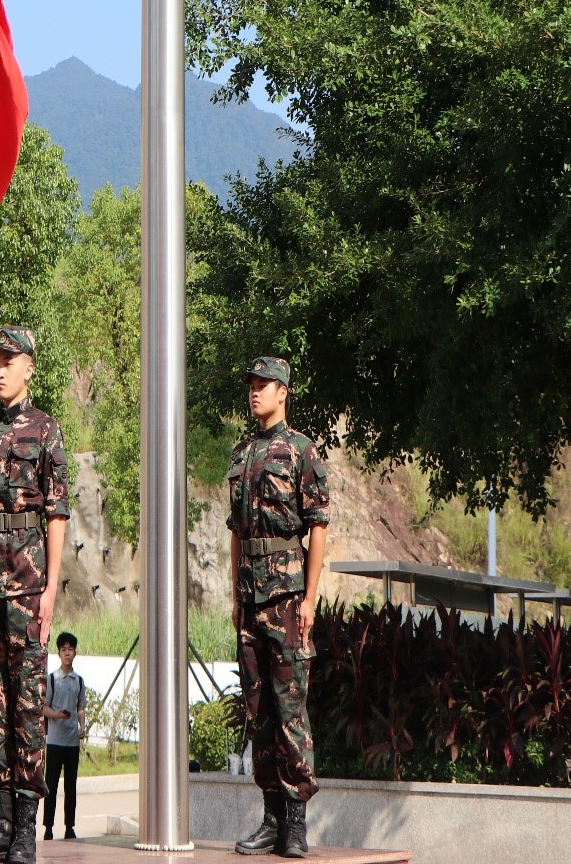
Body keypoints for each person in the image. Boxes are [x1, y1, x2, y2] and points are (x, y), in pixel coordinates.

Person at [0, 325, 70, 864]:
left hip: (29, 591)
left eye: (9, 361)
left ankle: (27, 829)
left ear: (29, 367)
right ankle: (2, 823)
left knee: (28, 710)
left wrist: (51, 588)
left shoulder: (46, 430)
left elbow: (56, 513)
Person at [229, 355, 330, 860]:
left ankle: (295, 823)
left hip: (287, 599)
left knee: (290, 710)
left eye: (263, 384)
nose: (255, 392)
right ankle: (271, 818)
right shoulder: (242, 453)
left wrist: (309, 599)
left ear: (283, 391)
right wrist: (234, 596)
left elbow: (318, 527)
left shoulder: (302, 451)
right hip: (249, 599)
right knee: (259, 712)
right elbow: (236, 532)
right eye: (251, 385)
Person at [42, 630, 86, 841]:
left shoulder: (79, 681)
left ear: (75, 653)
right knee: (51, 785)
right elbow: (44, 708)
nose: (67, 653)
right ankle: (48, 827)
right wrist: (57, 715)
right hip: (55, 740)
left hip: (72, 741)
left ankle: (70, 826)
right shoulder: (52, 679)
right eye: (63, 649)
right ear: (59, 653)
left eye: (70, 649)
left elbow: (81, 707)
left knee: (71, 785)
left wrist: (82, 726)